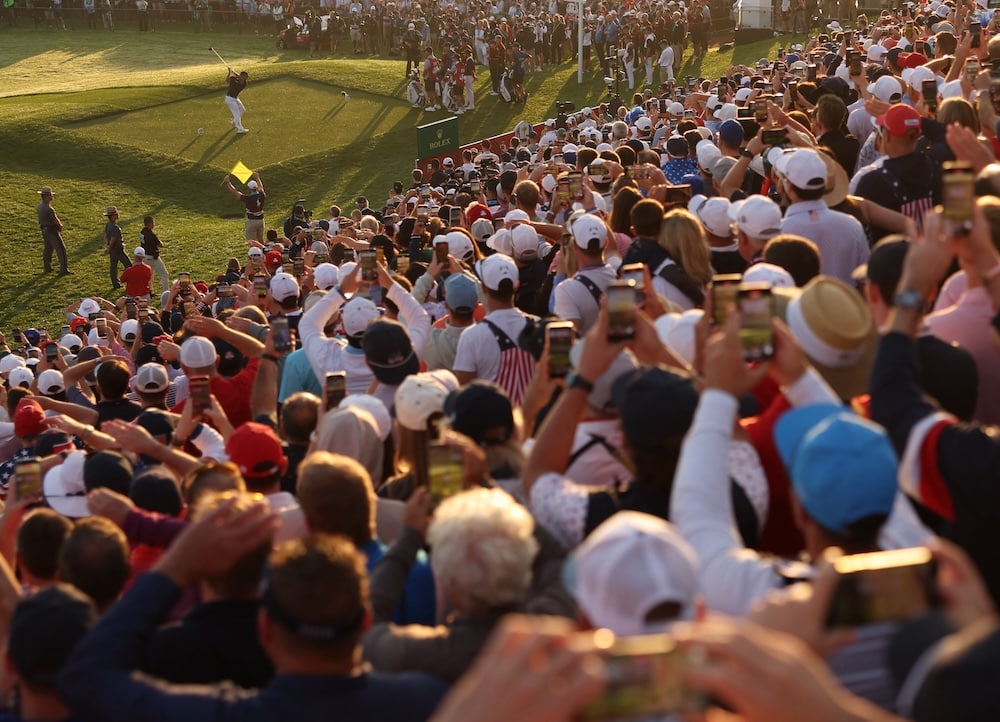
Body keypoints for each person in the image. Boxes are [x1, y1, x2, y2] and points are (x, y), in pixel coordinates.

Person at [58, 498, 448, 722]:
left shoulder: (229, 714)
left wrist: (178, 565)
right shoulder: (431, 700)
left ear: (266, 628)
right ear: (365, 622)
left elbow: (83, 676)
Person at [225, 171, 266, 245]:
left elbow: (235, 192)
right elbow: (261, 187)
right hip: (261, 220)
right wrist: (257, 177)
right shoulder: (262, 195)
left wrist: (228, 183)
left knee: (252, 242)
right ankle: (264, 254)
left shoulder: (248, 198)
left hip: (252, 221)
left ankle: (254, 255)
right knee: (261, 240)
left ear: (249, 188)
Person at [36, 185, 69, 275]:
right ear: (46, 196)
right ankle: (63, 269)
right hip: (51, 231)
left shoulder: (40, 206)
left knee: (48, 249)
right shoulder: (49, 208)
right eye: (50, 194)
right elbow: (56, 221)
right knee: (61, 249)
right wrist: (60, 226)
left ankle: (47, 267)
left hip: (44, 230)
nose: (52, 196)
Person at [103, 205, 131, 290]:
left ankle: (115, 284)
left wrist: (107, 246)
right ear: (113, 216)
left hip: (112, 250)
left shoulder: (108, 225)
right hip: (118, 249)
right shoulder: (115, 227)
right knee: (129, 265)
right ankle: (130, 281)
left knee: (113, 266)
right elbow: (113, 238)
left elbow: (105, 236)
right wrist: (109, 247)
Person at [140, 215, 168, 292]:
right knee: (164, 274)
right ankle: (166, 292)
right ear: (151, 223)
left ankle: (149, 290)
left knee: (149, 275)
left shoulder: (142, 232)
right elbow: (160, 245)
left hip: (145, 256)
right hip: (153, 257)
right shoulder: (151, 235)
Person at [225, 68, 249, 134]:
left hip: (235, 98)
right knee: (237, 114)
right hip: (229, 99)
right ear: (242, 75)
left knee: (242, 110)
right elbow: (227, 80)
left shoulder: (244, 83)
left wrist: (234, 72)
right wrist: (229, 72)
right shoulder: (233, 78)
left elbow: (240, 79)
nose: (247, 78)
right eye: (246, 76)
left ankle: (234, 122)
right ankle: (240, 129)